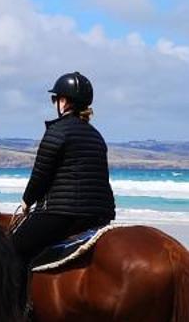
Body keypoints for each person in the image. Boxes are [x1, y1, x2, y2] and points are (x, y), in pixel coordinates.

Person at [10, 71, 116, 264]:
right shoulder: (96, 136)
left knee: (10, 250)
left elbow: (41, 174)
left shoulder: (57, 131)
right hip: (99, 215)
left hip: (63, 214)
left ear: (65, 101)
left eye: (55, 99)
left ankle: (17, 294)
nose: (55, 103)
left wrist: (26, 201)